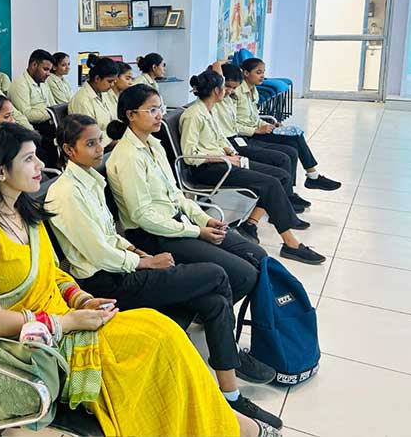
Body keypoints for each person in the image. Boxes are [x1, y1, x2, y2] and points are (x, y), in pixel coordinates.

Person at [0, 122, 272, 437]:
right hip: (37, 342)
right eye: (29, 158)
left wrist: (83, 300)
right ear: (1, 171)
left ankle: (222, 419)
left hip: (68, 318)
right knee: (157, 344)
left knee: (163, 331)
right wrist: (67, 322)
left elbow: (55, 274)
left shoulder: (24, 212)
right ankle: (233, 426)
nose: (40, 165)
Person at [47, 115, 281, 428]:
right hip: (104, 283)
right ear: (68, 150)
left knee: (213, 302)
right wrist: (144, 262)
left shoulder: (91, 180)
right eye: (90, 143)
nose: (99, 148)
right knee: (216, 275)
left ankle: (230, 395)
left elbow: (109, 234)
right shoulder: (66, 193)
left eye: (99, 140)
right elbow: (97, 252)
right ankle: (228, 352)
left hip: (123, 264)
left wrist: (136, 251)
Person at [105, 85, 269, 304]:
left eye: (160, 108)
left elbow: (176, 193)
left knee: (258, 256)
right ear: (131, 115)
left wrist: (204, 219)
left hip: (177, 222)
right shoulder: (128, 156)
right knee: (245, 275)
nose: (160, 115)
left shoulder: (154, 145)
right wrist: (197, 231)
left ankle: (213, 302)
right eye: (152, 110)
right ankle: (209, 308)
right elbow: (142, 216)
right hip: (152, 234)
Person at [181, 70, 325, 265]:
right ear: (216, 90)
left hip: (225, 161)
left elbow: (220, 138)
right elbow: (190, 155)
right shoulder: (193, 115)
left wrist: (230, 151)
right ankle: (290, 244)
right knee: (270, 183)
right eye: (224, 87)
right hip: (209, 169)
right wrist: (223, 158)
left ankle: (252, 224)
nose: (229, 91)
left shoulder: (209, 110)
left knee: (280, 175)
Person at [213, 62, 311, 213]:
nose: (230, 91)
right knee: (283, 158)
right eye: (227, 87)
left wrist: (266, 125)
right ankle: (285, 200)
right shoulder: (220, 100)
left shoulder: (230, 99)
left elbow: (247, 119)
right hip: (235, 141)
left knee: (292, 147)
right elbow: (218, 79)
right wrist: (218, 63)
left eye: (233, 88)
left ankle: (290, 194)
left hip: (239, 138)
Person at [235, 57, 341, 192]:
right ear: (246, 73)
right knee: (294, 140)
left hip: (259, 129)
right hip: (249, 134)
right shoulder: (236, 92)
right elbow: (232, 123)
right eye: (258, 72)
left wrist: (269, 125)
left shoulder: (253, 90)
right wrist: (256, 130)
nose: (262, 76)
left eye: (263, 72)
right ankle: (311, 177)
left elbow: (254, 117)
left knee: (294, 139)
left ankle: (291, 188)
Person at [9, 49, 58, 166]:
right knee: (55, 145)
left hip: (48, 123)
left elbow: (53, 105)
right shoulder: (20, 84)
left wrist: (52, 112)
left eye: (50, 70)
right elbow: (26, 115)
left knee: (72, 135)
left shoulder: (43, 83)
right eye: (45, 69)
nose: (48, 74)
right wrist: (51, 113)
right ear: (34, 65)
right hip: (32, 127)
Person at [68, 54, 119, 149]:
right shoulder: (82, 100)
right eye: (110, 81)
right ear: (97, 79)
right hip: (95, 148)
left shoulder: (104, 93)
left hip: (110, 142)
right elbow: (88, 134)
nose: (112, 85)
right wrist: (114, 141)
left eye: (114, 81)